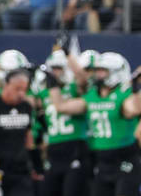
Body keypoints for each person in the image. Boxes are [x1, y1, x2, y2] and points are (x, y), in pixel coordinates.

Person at [51, 52, 141, 196]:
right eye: (98, 71)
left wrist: (136, 90)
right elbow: (61, 107)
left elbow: (135, 108)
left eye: (103, 71)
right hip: (101, 161)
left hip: (124, 159)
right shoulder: (92, 96)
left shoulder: (124, 95)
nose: (98, 75)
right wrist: (53, 86)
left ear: (117, 73)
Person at [35, 51, 90, 196]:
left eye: (58, 68)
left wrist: (69, 55)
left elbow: (84, 81)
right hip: (54, 148)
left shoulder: (74, 89)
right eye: (52, 68)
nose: (55, 72)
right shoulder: (43, 93)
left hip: (75, 145)